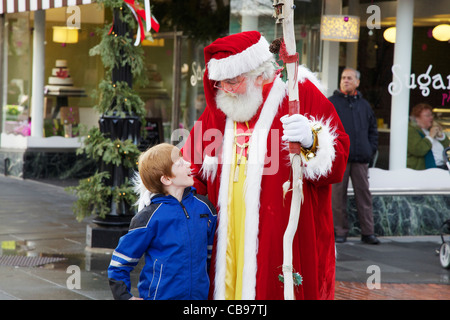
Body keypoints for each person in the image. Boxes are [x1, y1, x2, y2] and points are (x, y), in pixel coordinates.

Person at [152, 31, 348, 300]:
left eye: (234, 81)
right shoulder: (222, 107)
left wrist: (311, 139)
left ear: (259, 73)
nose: (228, 90)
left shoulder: (297, 93)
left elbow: (336, 161)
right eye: (221, 83)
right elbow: (189, 164)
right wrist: (161, 188)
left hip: (281, 227)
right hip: (229, 227)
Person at [108, 143, 217, 300]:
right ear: (166, 179)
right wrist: (126, 297)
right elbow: (119, 264)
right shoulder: (148, 217)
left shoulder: (205, 208)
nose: (188, 164)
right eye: (180, 163)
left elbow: (209, 256)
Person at [329, 68, 379, 245]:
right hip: (339, 159)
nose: (345, 81)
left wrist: (370, 149)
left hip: (360, 158)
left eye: (349, 78)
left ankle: (368, 233)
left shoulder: (364, 105)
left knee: (364, 196)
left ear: (357, 82)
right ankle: (340, 232)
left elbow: (373, 130)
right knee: (337, 197)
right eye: (343, 78)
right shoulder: (332, 103)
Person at [407, 103, 449, 170]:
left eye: (431, 115)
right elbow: (418, 150)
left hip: (442, 167)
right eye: (427, 115)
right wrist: (430, 136)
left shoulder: (430, 129)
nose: (431, 117)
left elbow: (446, 147)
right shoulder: (411, 131)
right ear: (417, 118)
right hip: (425, 170)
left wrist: (440, 136)